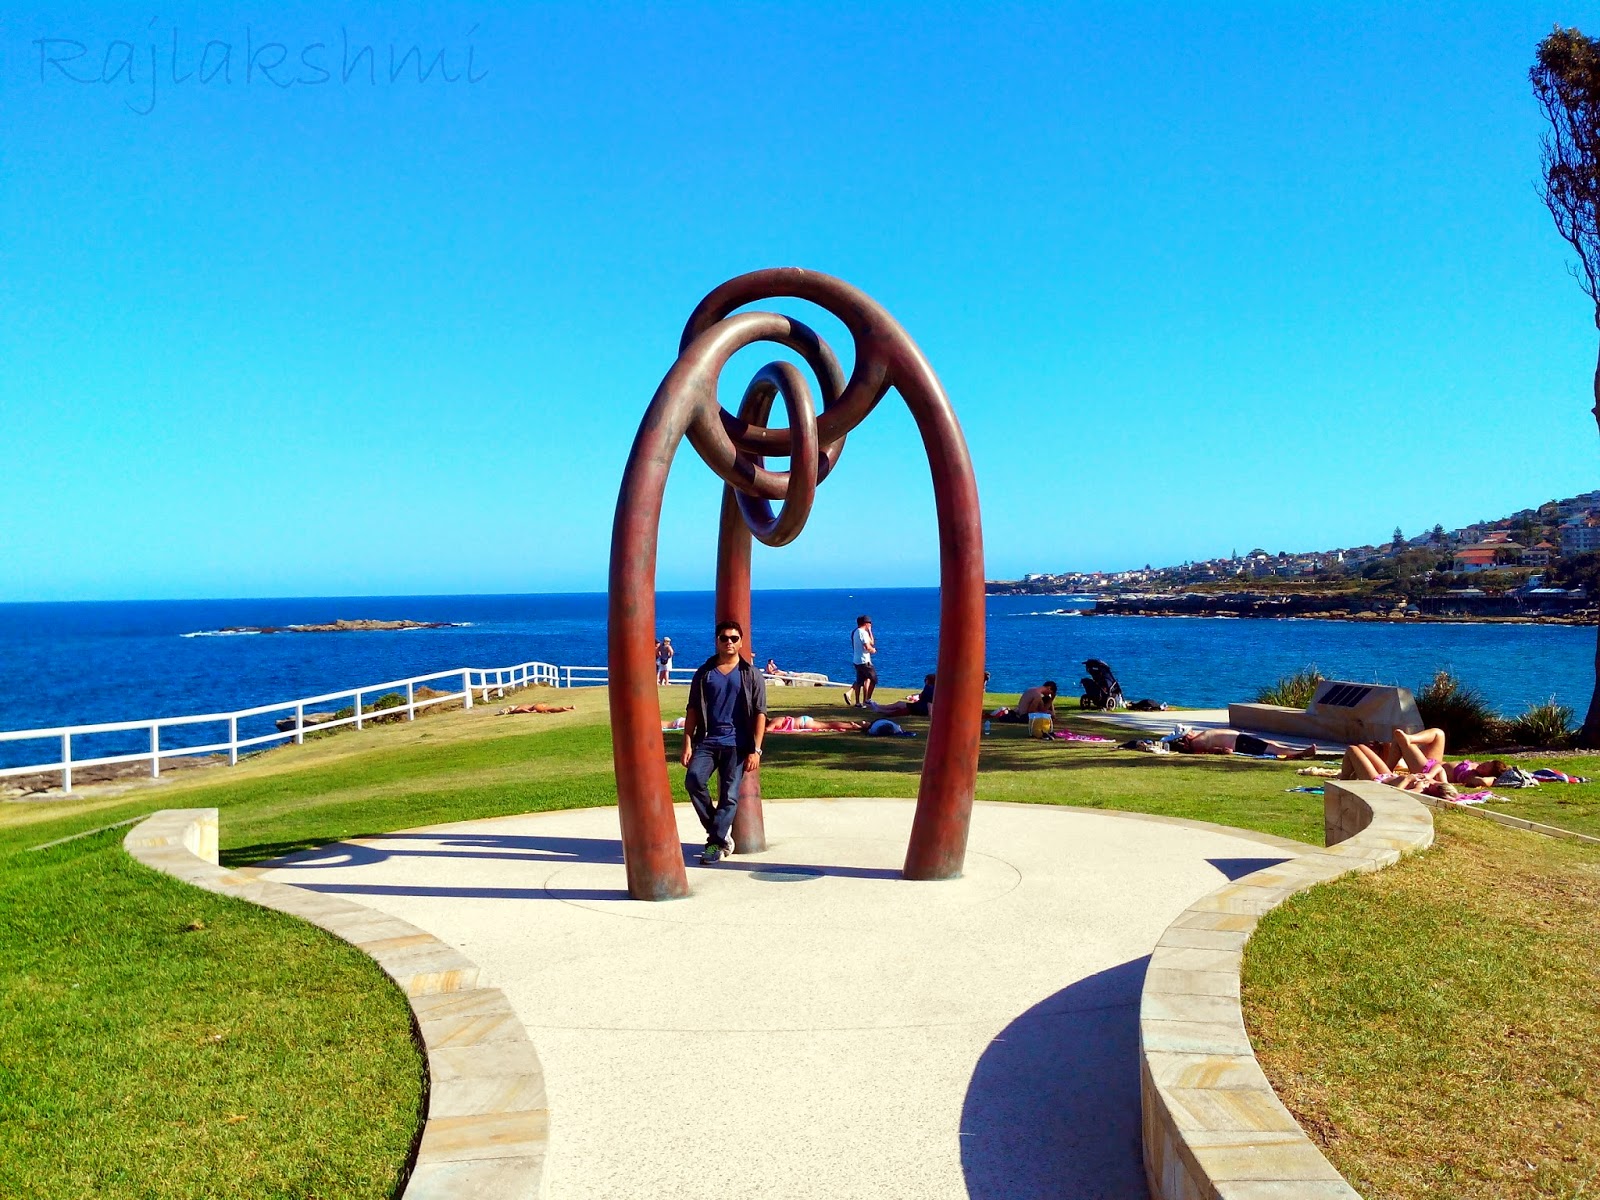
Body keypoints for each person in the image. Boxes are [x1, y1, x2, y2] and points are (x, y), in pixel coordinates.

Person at [682, 620, 768, 864]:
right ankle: (719, 835)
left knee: (729, 795)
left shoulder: (751, 674)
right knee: (694, 780)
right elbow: (692, 710)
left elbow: (761, 712)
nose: (729, 642)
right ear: (716, 641)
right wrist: (687, 743)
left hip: (738, 744)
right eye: (724, 638)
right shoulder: (704, 673)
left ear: (741, 642)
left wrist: (756, 750)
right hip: (708, 741)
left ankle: (715, 843)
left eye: (734, 638)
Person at [1339, 727, 1450, 790]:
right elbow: (1439, 768)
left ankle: (1343, 781)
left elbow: (1398, 795)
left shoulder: (1420, 789)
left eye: (1436, 785)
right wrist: (1430, 775)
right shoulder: (1430, 781)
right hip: (1389, 775)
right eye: (1438, 783)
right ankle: (1350, 777)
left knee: (1352, 749)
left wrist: (1408, 779)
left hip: (1378, 781)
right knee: (1361, 747)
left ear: (1435, 790)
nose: (1433, 783)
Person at [1170, 729, 1317, 760]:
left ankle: (1299, 752)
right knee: (1271, 749)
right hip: (1239, 743)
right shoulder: (1197, 742)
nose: (1193, 731)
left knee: (1271, 744)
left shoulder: (1198, 737)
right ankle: (1301, 753)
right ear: (1187, 736)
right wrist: (1221, 750)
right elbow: (1209, 750)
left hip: (1239, 738)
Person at [843, 615, 877, 707]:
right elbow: (868, 646)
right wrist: (872, 650)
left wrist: (869, 631)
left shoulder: (855, 632)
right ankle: (867, 700)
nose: (870, 625)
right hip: (864, 660)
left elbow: (872, 642)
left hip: (856, 660)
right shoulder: (863, 633)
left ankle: (858, 702)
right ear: (866, 623)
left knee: (860, 681)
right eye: (869, 623)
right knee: (873, 680)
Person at [865, 673, 935, 717]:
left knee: (899, 705)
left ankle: (879, 708)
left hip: (921, 708)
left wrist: (930, 714)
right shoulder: (931, 688)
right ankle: (879, 708)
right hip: (920, 706)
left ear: (928, 681)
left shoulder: (929, 688)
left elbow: (929, 702)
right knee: (899, 706)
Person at [992, 681, 1057, 723]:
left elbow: (1043, 709)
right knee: (1049, 714)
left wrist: (1051, 699)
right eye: (1050, 692)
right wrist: (1047, 714)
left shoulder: (1032, 690)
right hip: (1025, 716)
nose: (1049, 694)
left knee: (1049, 713)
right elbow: (1031, 712)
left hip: (1021, 713)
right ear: (1049, 688)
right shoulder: (1037, 695)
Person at [498, 703, 575, 715]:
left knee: (550, 710)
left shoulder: (515, 709)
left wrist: (529, 712)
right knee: (549, 708)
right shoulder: (520, 705)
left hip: (535, 707)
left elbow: (522, 710)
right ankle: (569, 707)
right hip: (538, 704)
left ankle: (564, 709)